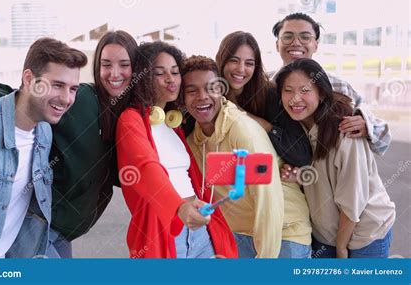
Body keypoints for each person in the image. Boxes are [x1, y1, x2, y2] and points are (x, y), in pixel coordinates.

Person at [0, 31, 138, 257]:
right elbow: (21, 97)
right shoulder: (81, 99)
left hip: (64, 233)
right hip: (41, 225)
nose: (114, 73)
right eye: (106, 64)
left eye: (124, 64)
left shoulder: (129, 117)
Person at [116, 42, 237, 258]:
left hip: (201, 232)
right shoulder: (131, 120)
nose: (171, 79)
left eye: (175, 72)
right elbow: (146, 167)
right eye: (159, 73)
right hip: (167, 233)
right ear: (143, 78)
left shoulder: (173, 124)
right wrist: (180, 208)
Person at [276, 58, 395, 258]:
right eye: (288, 90)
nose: (295, 98)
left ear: (321, 94)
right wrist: (300, 177)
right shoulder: (297, 130)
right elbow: (324, 177)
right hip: (325, 235)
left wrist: (341, 247)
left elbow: (352, 199)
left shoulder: (344, 130)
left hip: (365, 234)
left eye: (305, 90)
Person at [214, 33, 312, 257]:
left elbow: (300, 153)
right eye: (234, 60)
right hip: (236, 224)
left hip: (283, 223)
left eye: (249, 63)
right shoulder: (209, 97)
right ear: (222, 59)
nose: (241, 69)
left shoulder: (268, 95)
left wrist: (257, 123)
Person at [182, 55, 284, 258]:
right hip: (236, 236)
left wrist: (266, 259)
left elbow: (269, 199)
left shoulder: (242, 130)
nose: (202, 96)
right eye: (192, 91)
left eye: (211, 88)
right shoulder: (194, 141)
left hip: (279, 236)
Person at [271, 12, 391, 156]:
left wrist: (366, 126)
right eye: (288, 36)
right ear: (277, 44)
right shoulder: (264, 86)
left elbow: (383, 138)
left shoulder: (340, 87)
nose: (296, 42)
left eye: (305, 37)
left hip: (331, 175)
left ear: (315, 45)